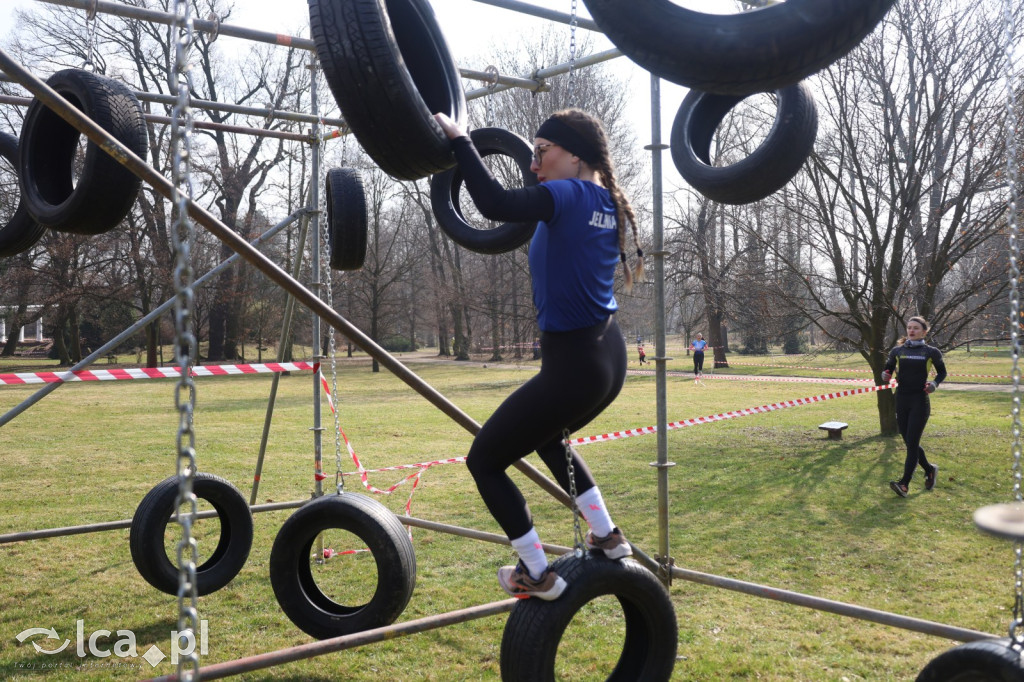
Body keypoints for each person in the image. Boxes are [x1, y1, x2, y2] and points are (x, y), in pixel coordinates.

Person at [434, 108, 644, 600]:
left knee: (485, 461)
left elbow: (493, 202)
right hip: (608, 358)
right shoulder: (607, 201)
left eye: (541, 152)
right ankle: (607, 535)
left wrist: (462, 141)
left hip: (574, 366)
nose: (533, 164)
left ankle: (535, 572)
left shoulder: (567, 194)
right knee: (550, 440)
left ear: (575, 155)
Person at [882, 316, 946, 498]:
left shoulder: (931, 352)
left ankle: (904, 484)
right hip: (901, 400)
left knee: (912, 444)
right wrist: (885, 375)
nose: (911, 330)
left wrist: (934, 384)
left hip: (919, 401)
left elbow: (942, 372)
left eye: (916, 328)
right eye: (909, 327)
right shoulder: (897, 350)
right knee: (910, 442)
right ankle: (930, 469)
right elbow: (888, 369)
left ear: (924, 331)